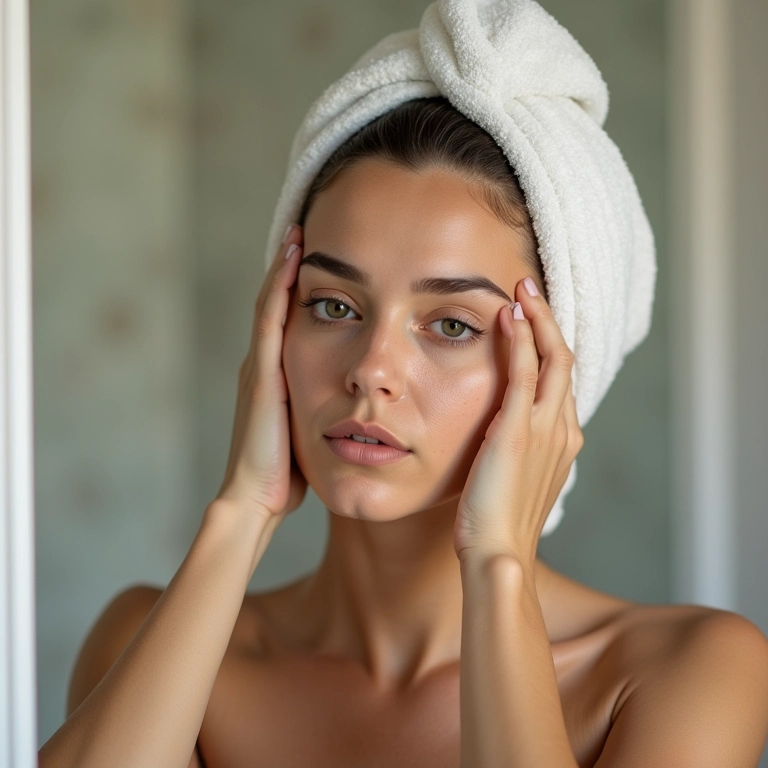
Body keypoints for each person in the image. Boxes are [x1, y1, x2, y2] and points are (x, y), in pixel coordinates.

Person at [40, 13, 768, 768]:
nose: (371, 369)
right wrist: (241, 514)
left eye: (452, 325)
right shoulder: (152, 647)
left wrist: (498, 565)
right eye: (333, 306)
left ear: (557, 375)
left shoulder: (686, 673)